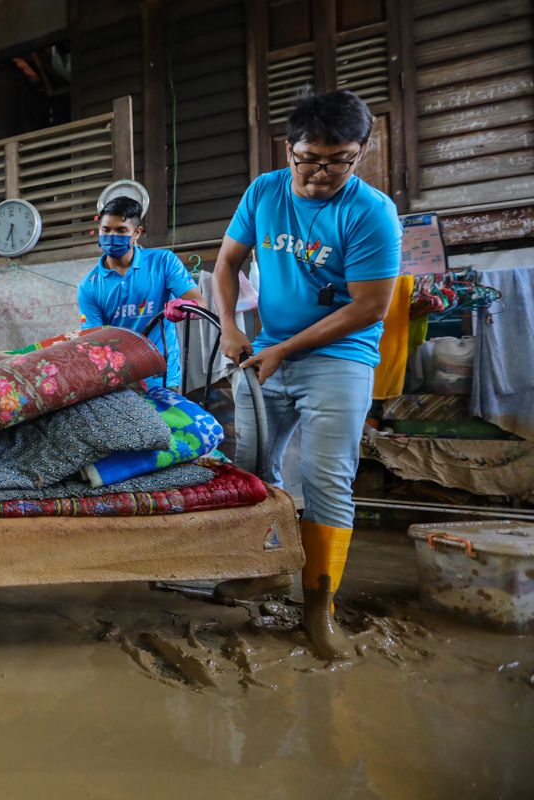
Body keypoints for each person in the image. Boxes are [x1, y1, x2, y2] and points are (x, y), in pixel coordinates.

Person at [211, 89, 400, 660]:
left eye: (336, 159)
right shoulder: (265, 191)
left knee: (324, 482)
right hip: (265, 351)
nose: (319, 173)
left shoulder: (370, 211)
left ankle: (320, 606)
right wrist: (230, 324)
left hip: (339, 361)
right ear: (287, 149)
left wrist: (285, 349)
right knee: (250, 471)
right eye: (308, 157)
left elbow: (368, 307)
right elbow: (226, 263)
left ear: (360, 153)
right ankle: (263, 571)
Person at [77, 196, 206, 390]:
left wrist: (185, 308)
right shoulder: (89, 286)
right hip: (121, 382)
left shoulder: (163, 262)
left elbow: (200, 305)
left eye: (121, 230)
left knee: (172, 420)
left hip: (163, 375)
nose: (112, 236)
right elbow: (94, 342)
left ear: (137, 233)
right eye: (106, 230)